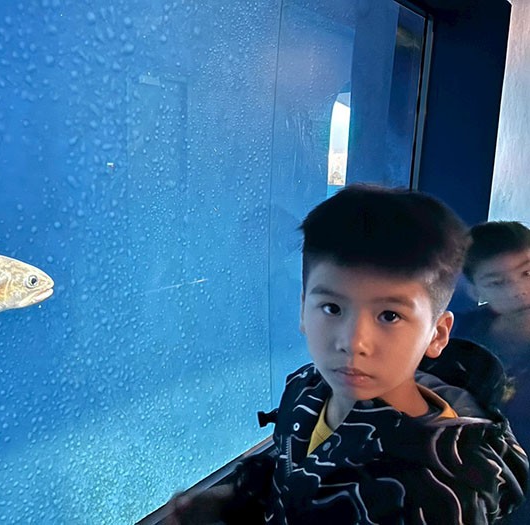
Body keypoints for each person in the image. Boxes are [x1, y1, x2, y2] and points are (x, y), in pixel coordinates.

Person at [165, 185, 528, 524]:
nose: (353, 342)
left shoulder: (439, 493)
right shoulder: (307, 387)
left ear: (438, 334)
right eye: (332, 308)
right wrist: (229, 500)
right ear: (303, 310)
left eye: (390, 315)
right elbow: (290, 472)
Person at [452, 221, 530, 524]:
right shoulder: (454, 338)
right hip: (471, 491)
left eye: (527, 273)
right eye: (498, 283)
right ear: (475, 290)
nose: (519, 291)